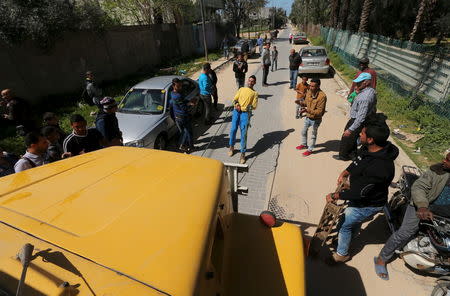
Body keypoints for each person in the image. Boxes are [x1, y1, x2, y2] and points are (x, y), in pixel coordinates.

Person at [326, 120, 399, 263]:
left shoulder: (380, 167)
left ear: (371, 139)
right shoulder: (368, 149)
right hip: (361, 195)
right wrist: (346, 172)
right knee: (353, 222)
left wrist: (336, 195)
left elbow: (360, 193)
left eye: (363, 132)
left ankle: (341, 255)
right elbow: (358, 161)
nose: (360, 133)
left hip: (369, 203)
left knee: (345, 224)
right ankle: (345, 240)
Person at [374, 151, 450, 280]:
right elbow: (419, 186)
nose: (444, 161)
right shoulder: (438, 170)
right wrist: (422, 206)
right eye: (446, 158)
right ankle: (382, 259)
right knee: (406, 231)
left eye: (448, 160)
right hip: (423, 205)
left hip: (444, 214)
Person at [336, 72, 377, 161]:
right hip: (361, 118)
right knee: (353, 139)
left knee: (347, 137)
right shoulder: (370, 91)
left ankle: (344, 156)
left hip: (356, 119)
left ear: (366, 83)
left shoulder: (365, 97)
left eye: (359, 82)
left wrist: (350, 129)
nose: (357, 84)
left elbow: (361, 116)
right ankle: (353, 155)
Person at [228, 75, 258, 164]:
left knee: (243, 133)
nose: (250, 82)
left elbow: (254, 106)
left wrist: (246, 108)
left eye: (252, 81)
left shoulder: (255, 93)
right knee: (233, 129)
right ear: (247, 81)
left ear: (254, 83)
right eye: (249, 81)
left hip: (245, 114)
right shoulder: (241, 89)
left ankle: (243, 154)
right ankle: (231, 146)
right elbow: (235, 99)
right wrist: (237, 104)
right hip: (236, 111)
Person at [295, 78, 327, 157]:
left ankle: (310, 149)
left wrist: (307, 111)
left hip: (316, 119)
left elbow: (319, 112)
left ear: (318, 86)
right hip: (308, 117)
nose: (311, 88)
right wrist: (301, 103)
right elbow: (306, 102)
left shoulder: (322, 96)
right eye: (310, 86)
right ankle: (304, 144)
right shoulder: (309, 92)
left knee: (313, 135)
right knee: (303, 131)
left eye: (313, 86)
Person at [170, 78, 195, 152]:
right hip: (182, 117)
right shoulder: (178, 96)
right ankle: (185, 146)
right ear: (173, 86)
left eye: (180, 86)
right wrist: (191, 104)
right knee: (188, 131)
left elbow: (183, 101)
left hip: (177, 116)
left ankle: (185, 145)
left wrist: (188, 101)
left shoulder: (172, 93)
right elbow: (184, 108)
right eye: (178, 86)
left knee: (183, 132)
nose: (180, 87)